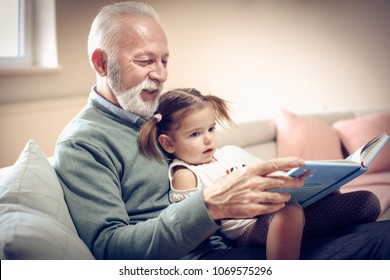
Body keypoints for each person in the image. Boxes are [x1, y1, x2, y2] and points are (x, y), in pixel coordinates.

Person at [54, 1, 390, 260]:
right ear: (101, 63)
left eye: (165, 60)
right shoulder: (84, 144)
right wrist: (211, 205)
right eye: (145, 61)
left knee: (370, 213)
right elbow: (110, 250)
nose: (160, 75)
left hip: (240, 239)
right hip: (207, 258)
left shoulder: (155, 112)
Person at [138, 87, 381, 259]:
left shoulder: (223, 155)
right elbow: (193, 223)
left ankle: (311, 233)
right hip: (249, 228)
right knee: (290, 213)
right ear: (168, 143)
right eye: (195, 134)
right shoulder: (185, 172)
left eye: (211, 129)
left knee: (367, 202)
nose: (207, 138)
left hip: (272, 211)